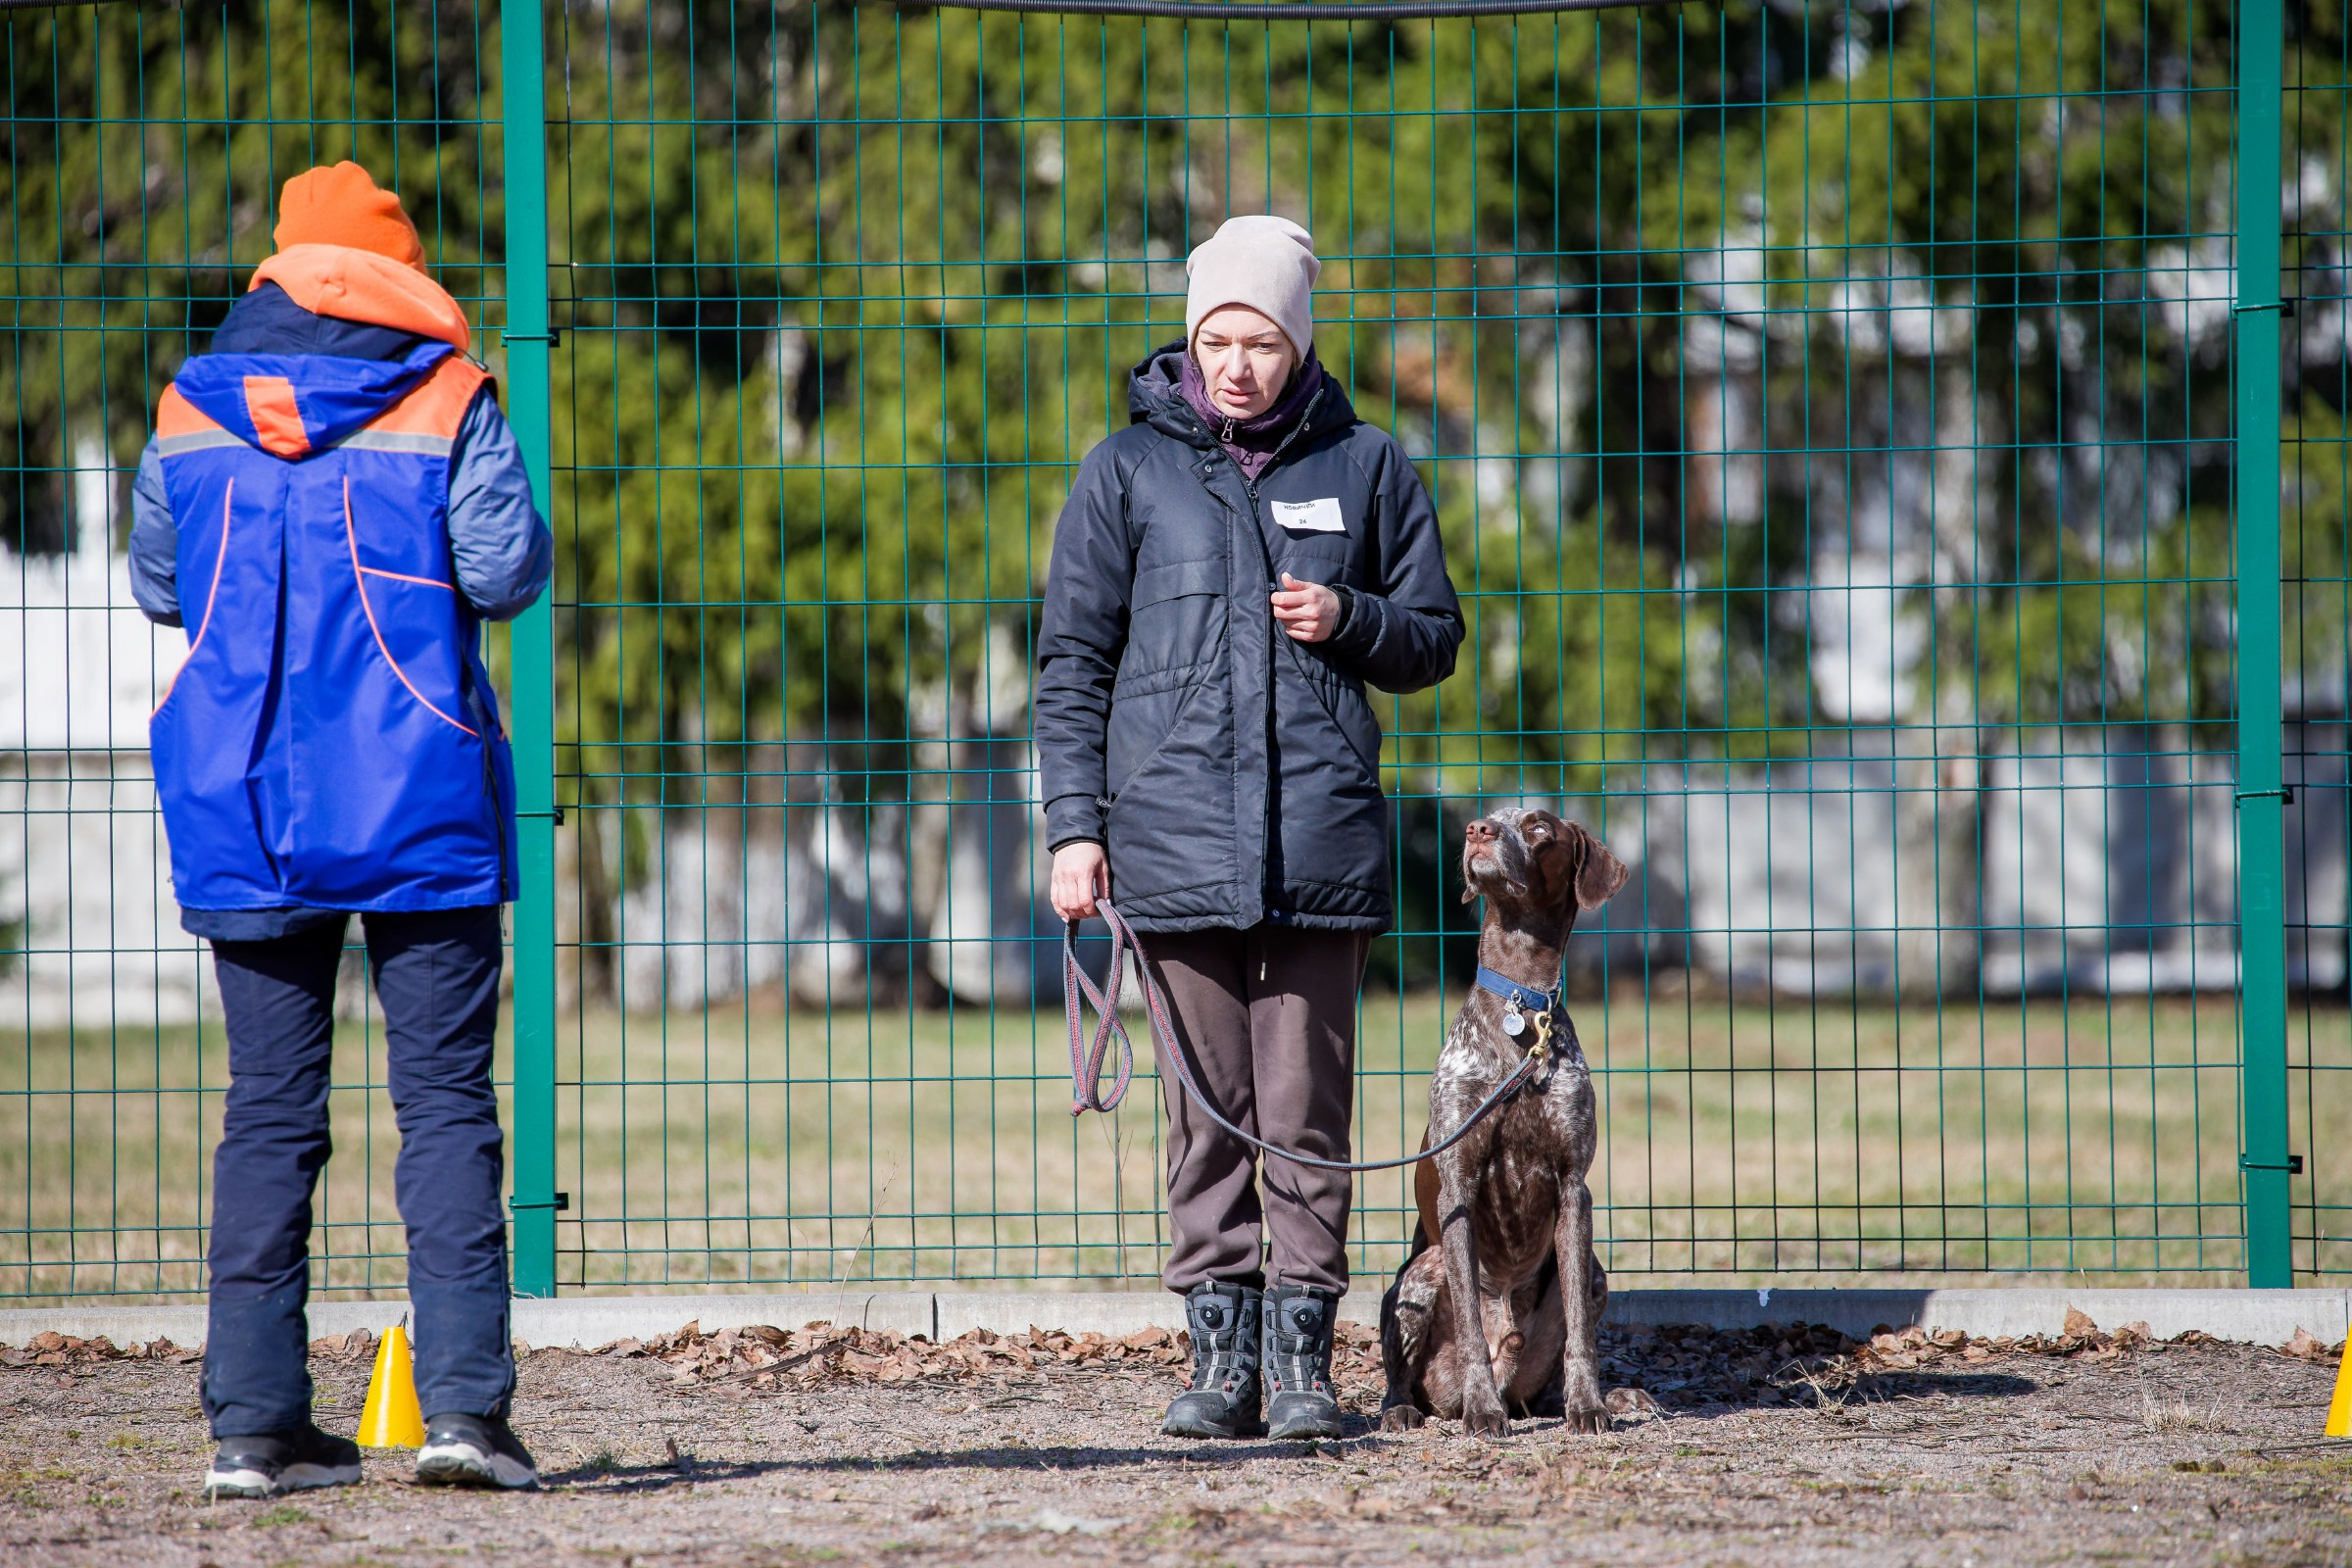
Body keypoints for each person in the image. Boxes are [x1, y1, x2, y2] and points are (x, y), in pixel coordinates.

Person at [128, 163, 552, 1496]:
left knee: (268, 1114)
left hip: (243, 805)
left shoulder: (190, 408)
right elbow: (504, 569)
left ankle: (254, 1430)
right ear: (398, 267)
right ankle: (467, 1422)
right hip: (420, 798)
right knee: (442, 1109)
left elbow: (156, 582)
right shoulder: (447, 396)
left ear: (279, 265)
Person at [1036, 215, 1464, 1440]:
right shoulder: (1124, 473)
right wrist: (1075, 828)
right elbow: (1073, 663)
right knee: (1207, 1114)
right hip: (1167, 849)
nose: (1236, 363)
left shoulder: (1369, 465)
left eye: (1261, 340)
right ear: (1189, 340)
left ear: (1300, 343)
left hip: (1320, 846)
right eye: (1215, 338)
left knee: (1306, 1113)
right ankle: (1219, 1366)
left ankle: (1304, 1373)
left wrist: (1350, 617)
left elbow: (1433, 634)